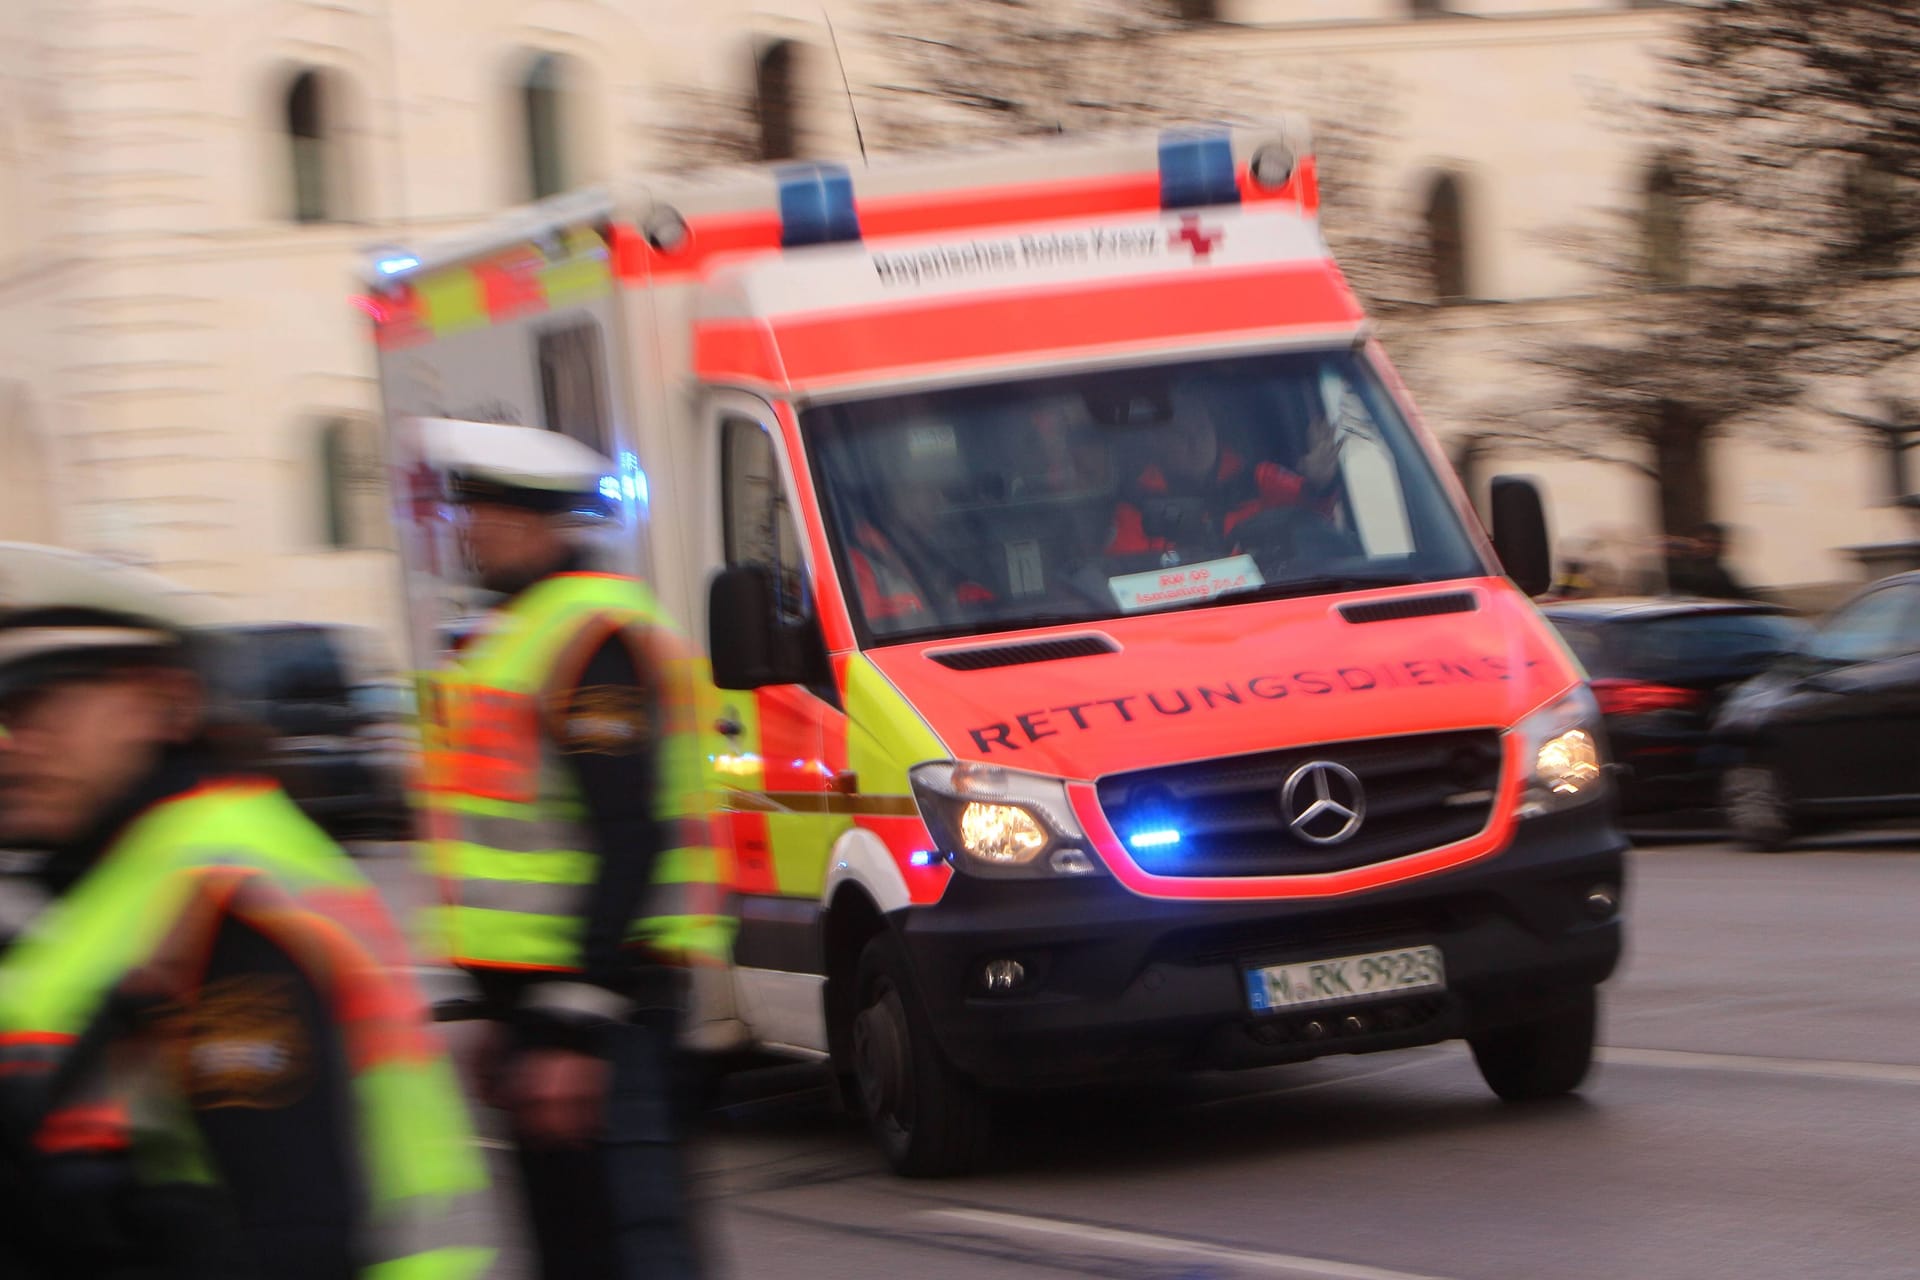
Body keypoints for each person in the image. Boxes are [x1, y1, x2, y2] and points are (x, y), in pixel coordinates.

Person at [0, 542, 489, 1279]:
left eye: (41, 705)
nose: (14, 744)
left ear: (165, 704)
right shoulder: (110, 873)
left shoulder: (217, 888)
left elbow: (292, 1231)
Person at [416, 420, 732, 1280]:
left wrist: (576, 1026)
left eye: (483, 511)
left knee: (634, 1248)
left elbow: (629, 834)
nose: (468, 530)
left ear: (539, 522)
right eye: (466, 510)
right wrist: (494, 1011)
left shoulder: (593, 639)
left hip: (607, 1010)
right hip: (540, 1011)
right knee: (574, 1253)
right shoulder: (512, 633)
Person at [1106, 389, 1339, 566]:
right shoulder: (1137, 504)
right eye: (1180, 433)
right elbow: (1127, 575)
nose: (1195, 440)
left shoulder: (1258, 480)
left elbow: (1316, 522)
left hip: (1265, 601)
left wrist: (1318, 484)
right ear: (1157, 443)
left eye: (1200, 428)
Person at [1666, 522, 1753, 600]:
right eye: (1703, 541)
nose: (1709, 546)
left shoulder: (1722, 574)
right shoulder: (1680, 572)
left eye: (1714, 542)